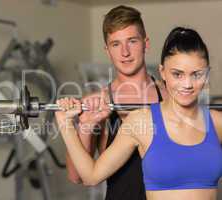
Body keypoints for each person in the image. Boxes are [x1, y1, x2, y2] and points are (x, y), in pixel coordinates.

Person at [57, 27, 222, 200]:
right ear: (163, 72)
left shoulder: (217, 122)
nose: (187, 84)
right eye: (177, 74)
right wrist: (65, 123)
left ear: (207, 74)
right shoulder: (140, 121)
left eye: (196, 74)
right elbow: (91, 176)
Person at [65, 5, 166, 200]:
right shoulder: (95, 103)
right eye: (116, 44)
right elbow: (76, 176)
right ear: (107, 50)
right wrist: (86, 125)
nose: (125, 52)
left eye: (132, 41)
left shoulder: (171, 97)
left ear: (146, 43)